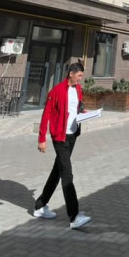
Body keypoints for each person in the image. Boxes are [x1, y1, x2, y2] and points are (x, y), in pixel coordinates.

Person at [33, 62, 91, 229]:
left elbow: (76, 108)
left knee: (57, 171)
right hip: (60, 137)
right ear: (71, 74)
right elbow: (46, 115)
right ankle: (74, 217)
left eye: (81, 76)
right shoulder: (57, 91)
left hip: (73, 135)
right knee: (67, 175)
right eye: (79, 76)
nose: (80, 79)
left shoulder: (78, 89)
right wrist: (42, 138)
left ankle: (40, 206)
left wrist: (85, 114)